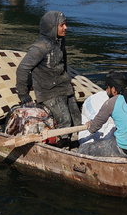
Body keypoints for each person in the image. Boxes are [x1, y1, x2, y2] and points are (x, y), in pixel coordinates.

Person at [15, 11, 81, 145]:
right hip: (48, 91)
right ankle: (63, 147)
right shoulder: (39, 47)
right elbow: (22, 69)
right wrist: (22, 93)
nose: (66, 28)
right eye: (62, 25)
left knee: (77, 119)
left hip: (64, 87)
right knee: (65, 121)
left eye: (65, 24)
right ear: (52, 27)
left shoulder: (60, 41)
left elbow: (64, 63)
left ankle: (78, 143)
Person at [79, 72, 127, 158]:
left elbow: (93, 129)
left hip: (126, 150)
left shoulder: (111, 103)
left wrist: (90, 123)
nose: (106, 91)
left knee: (84, 149)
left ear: (113, 89)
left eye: (107, 88)